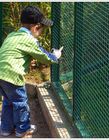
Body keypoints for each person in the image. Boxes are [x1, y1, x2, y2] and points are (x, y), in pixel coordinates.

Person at [0, 6, 62, 137]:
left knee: (8, 101)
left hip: (1, 73)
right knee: (20, 102)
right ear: (36, 27)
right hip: (12, 74)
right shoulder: (29, 40)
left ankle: (6, 129)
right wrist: (55, 56)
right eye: (41, 30)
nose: (41, 33)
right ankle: (22, 129)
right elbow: (43, 56)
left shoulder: (12, 35)